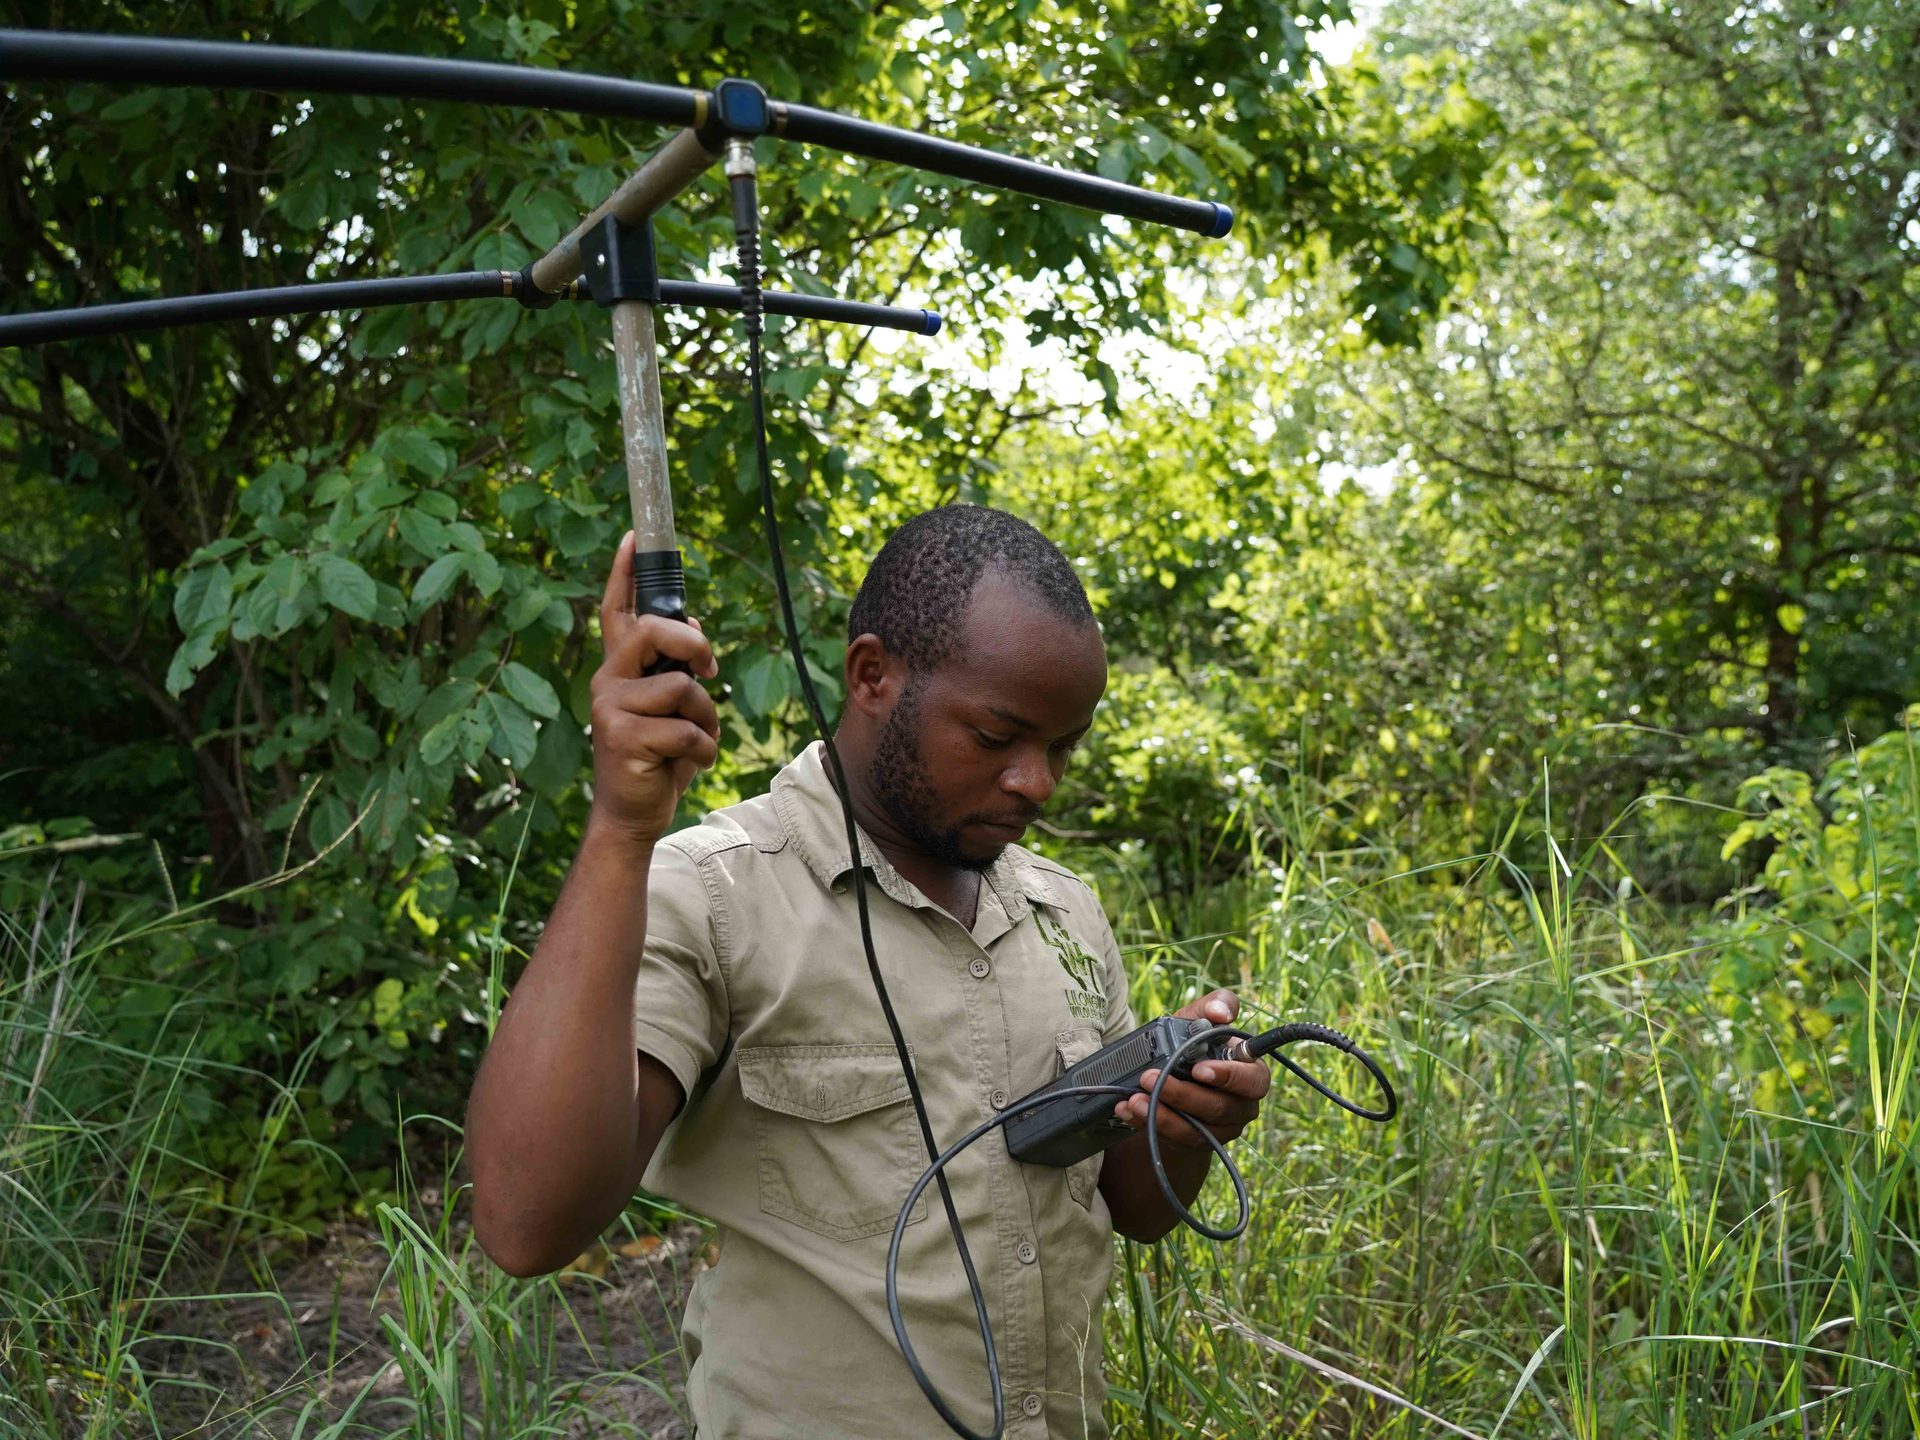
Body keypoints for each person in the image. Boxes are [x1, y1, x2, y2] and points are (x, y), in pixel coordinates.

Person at [467, 504, 1273, 1438]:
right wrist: (621, 829)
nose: (1037, 782)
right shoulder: (712, 895)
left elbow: (1128, 1210)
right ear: (873, 676)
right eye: (996, 736)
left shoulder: (1065, 913)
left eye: (1062, 747)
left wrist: (1180, 1127)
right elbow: (526, 1226)